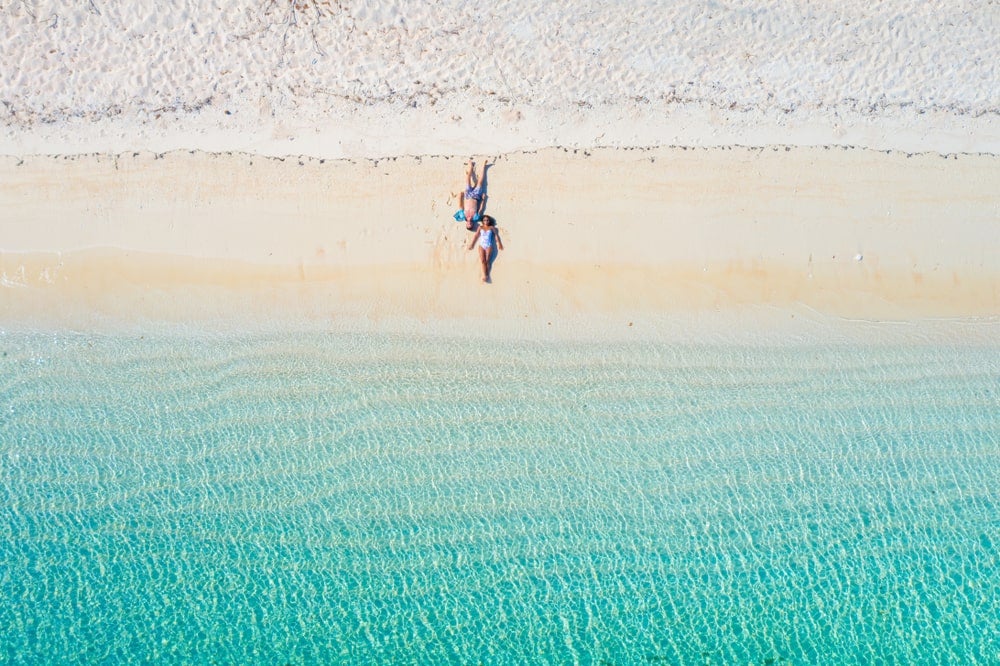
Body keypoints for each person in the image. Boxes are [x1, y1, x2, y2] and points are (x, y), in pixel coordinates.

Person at [454, 158, 490, 230]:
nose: (469, 223)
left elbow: (460, 206)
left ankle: (470, 166)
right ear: (472, 224)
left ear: (466, 224)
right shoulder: (475, 217)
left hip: (467, 196)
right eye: (470, 225)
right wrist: (483, 199)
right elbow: (481, 208)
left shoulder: (463, 215)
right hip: (476, 197)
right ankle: (484, 166)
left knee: (467, 179)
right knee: (480, 182)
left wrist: (460, 196)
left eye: (468, 225)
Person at [467, 215, 503, 282]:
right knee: (483, 261)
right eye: (484, 220)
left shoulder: (491, 228)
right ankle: (484, 275)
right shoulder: (480, 227)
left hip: (489, 245)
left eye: (487, 220)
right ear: (482, 221)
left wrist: (499, 244)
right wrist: (472, 244)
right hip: (481, 245)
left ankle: (487, 275)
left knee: (487, 261)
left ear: (489, 221)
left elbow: (496, 236)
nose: (486, 221)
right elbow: (476, 236)